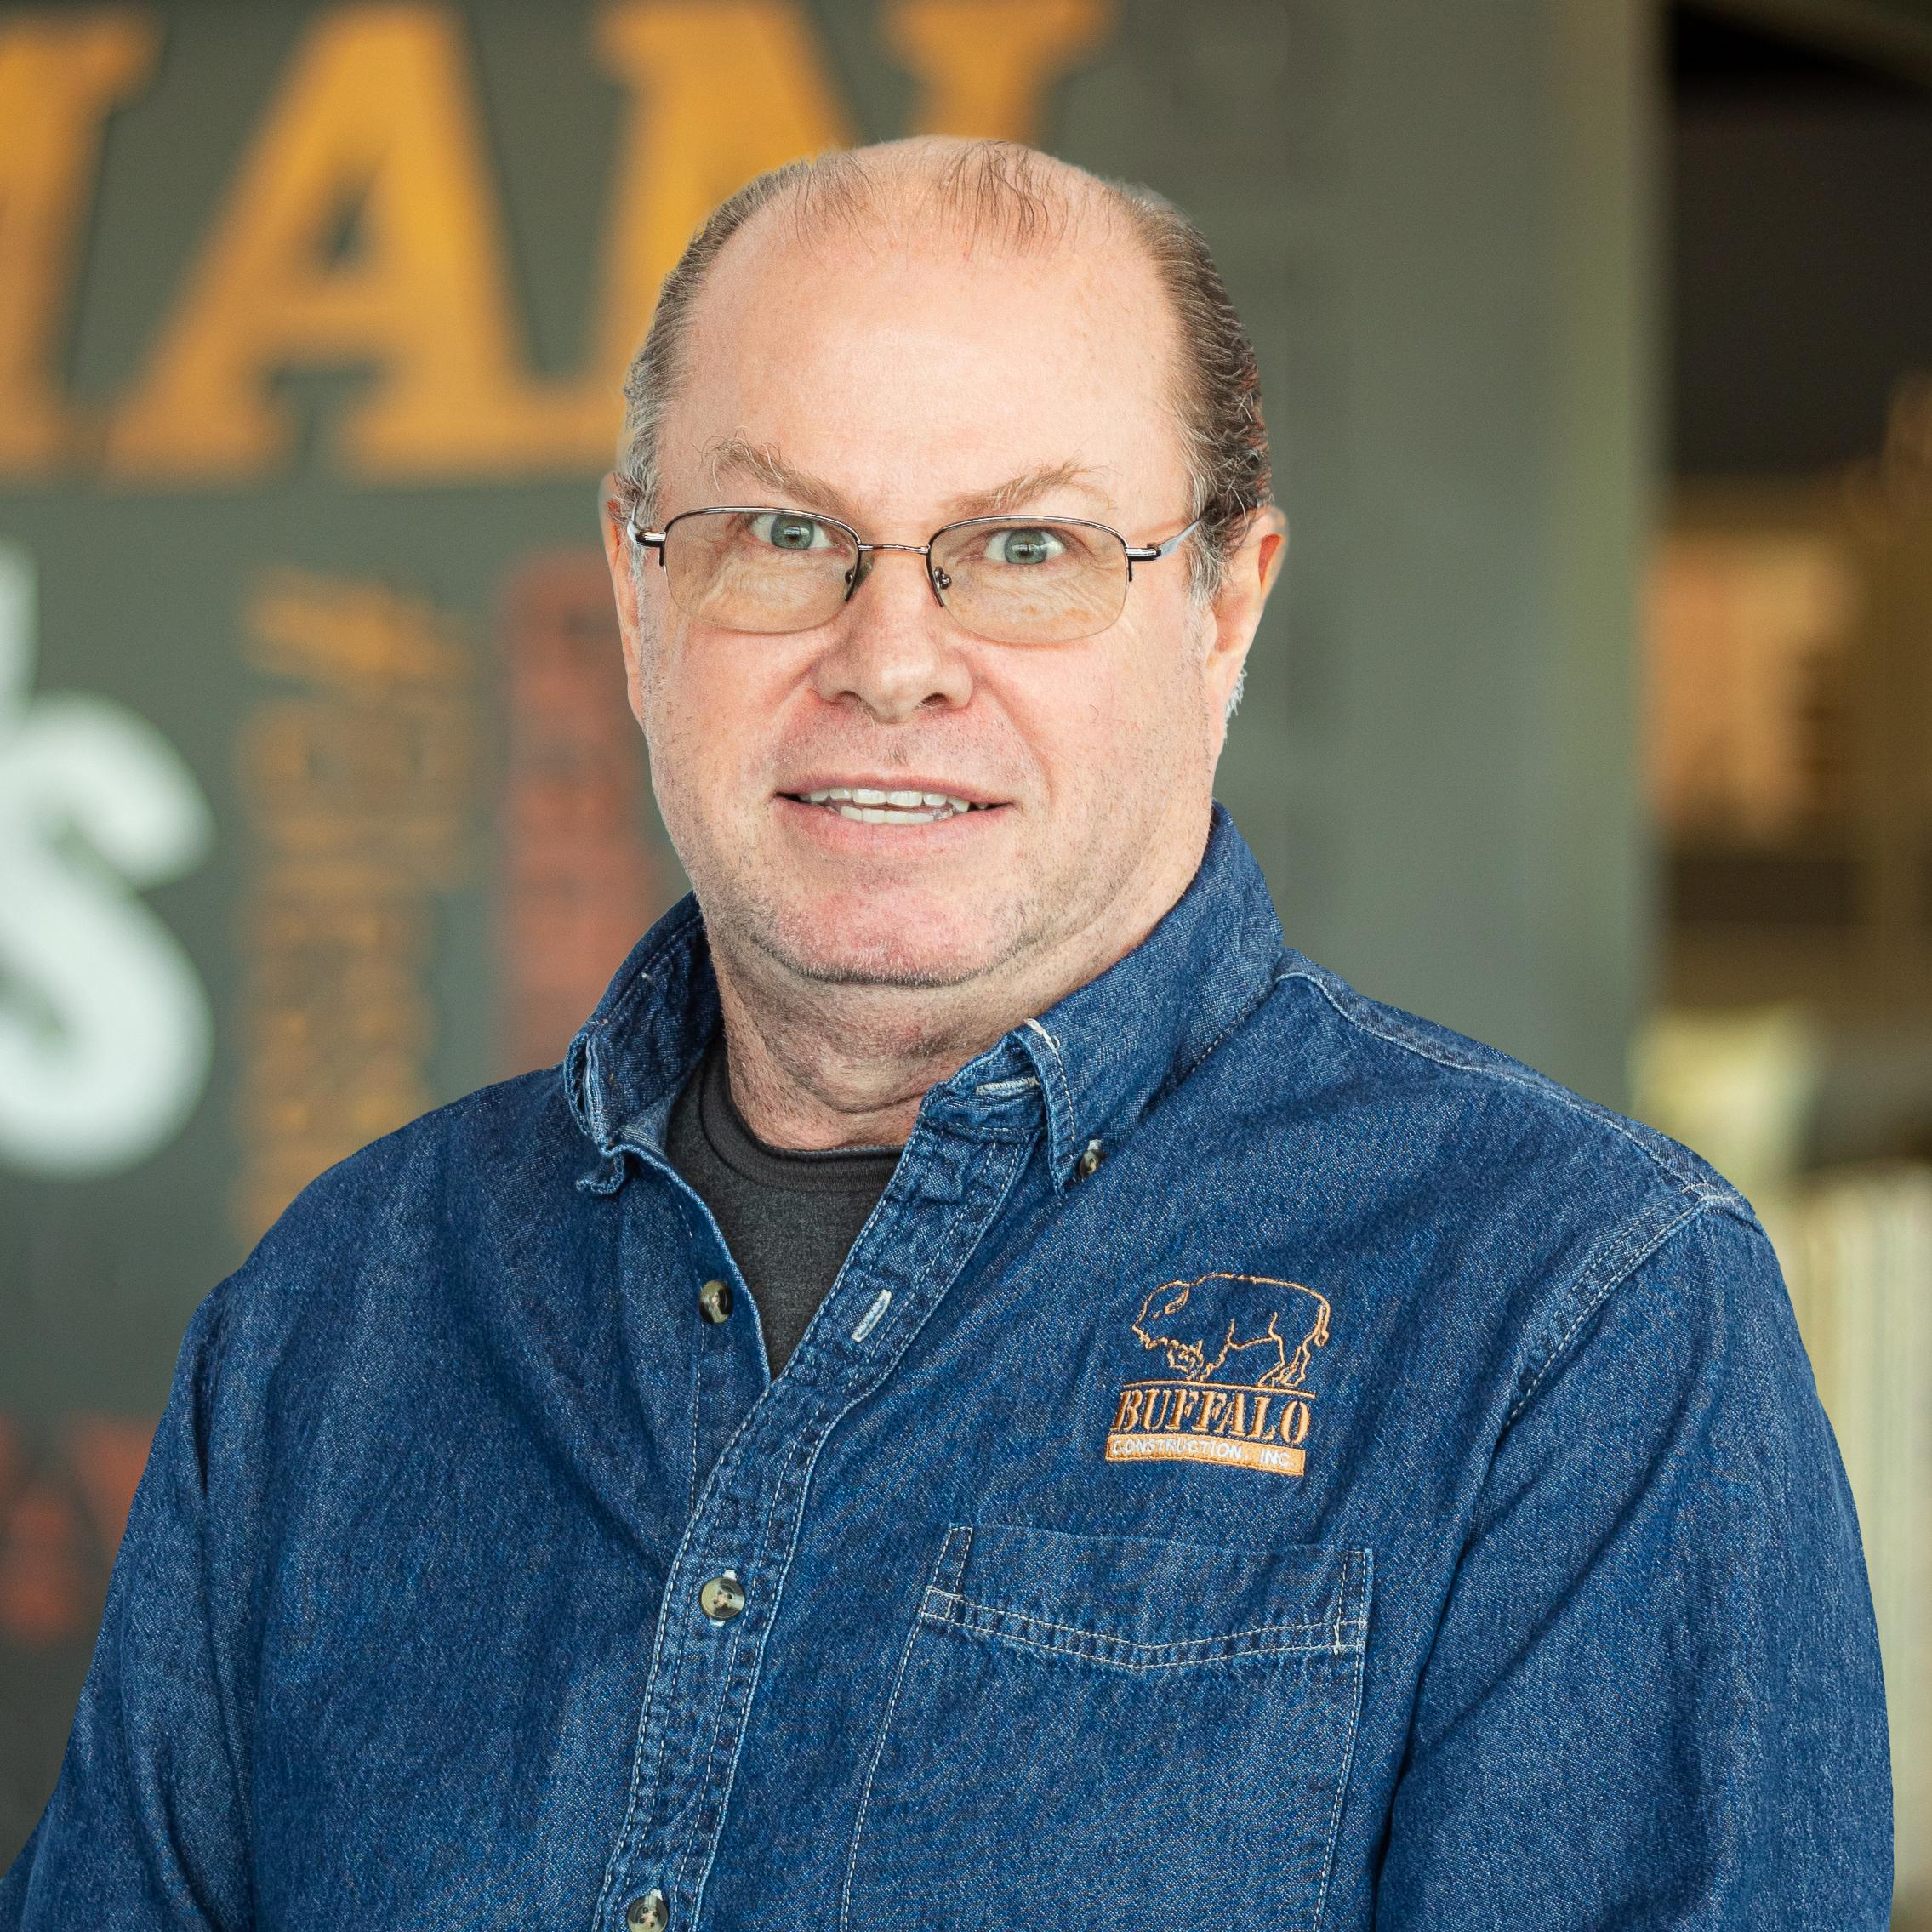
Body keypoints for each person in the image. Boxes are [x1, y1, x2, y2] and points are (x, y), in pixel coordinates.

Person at [2, 137, 1889, 1930]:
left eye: (1026, 549)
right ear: (635, 589)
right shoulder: (338, 1312)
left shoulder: (1572, 1317)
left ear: (1227, 606)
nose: (890, 654)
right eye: (778, 530)